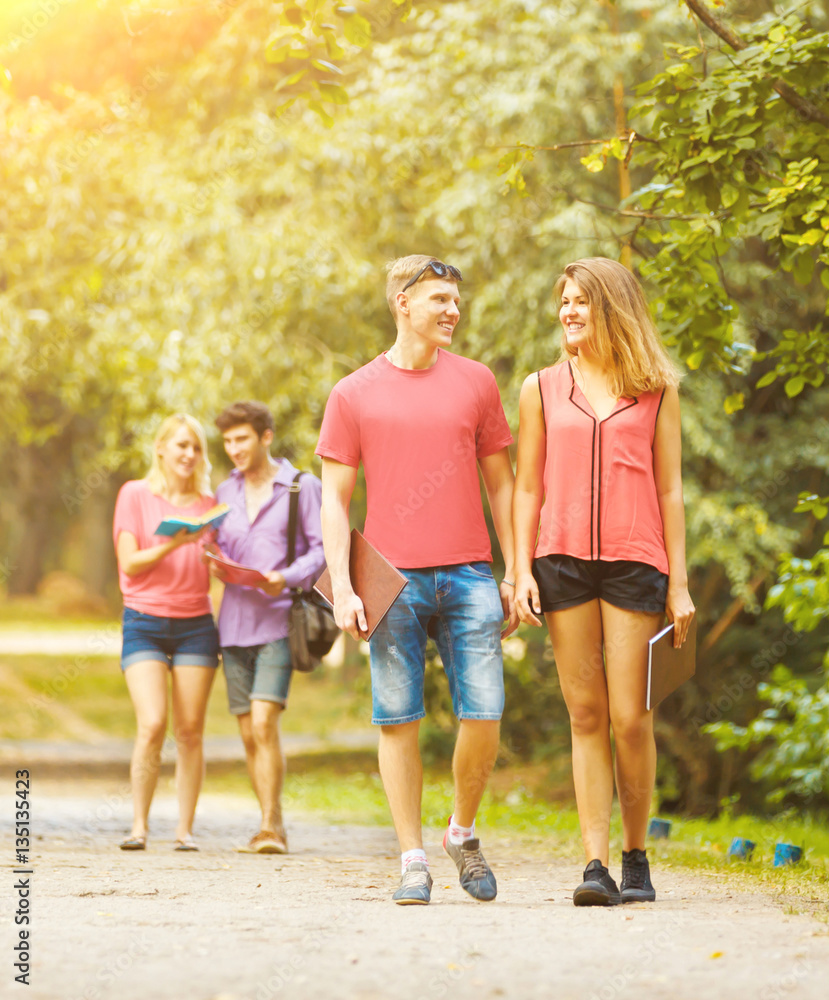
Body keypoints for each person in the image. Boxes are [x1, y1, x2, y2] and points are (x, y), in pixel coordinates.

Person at [316, 254, 517, 905]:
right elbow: (332, 500)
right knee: (397, 718)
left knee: (483, 710)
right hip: (389, 577)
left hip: (468, 573)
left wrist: (515, 570)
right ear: (402, 302)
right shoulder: (352, 393)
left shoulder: (477, 383)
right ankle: (410, 858)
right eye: (438, 299)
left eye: (455, 299)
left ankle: (459, 832)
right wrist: (344, 589)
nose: (452, 310)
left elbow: (502, 485)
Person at [512, 258, 695, 906]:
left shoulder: (655, 388)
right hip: (559, 560)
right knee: (584, 713)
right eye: (563, 300)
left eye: (580, 301)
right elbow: (527, 485)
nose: (567, 311)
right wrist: (518, 569)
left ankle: (635, 854)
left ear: (610, 308)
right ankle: (593, 864)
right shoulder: (538, 388)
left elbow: (670, 489)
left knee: (630, 718)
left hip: (633, 558)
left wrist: (677, 584)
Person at [207, 401, 326, 855]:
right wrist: (211, 557)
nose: (234, 448)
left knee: (263, 723)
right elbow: (218, 545)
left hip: (279, 619)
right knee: (244, 732)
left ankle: (272, 824)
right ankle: (265, 824)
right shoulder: (224, 491)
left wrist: (287, 575)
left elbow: (320, 551)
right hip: (233, 627)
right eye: (228, 441)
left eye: (242, 439)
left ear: (265, 437)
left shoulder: (301, 486)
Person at [113, 414, 221, 851]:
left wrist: (214, 559)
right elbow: (130, 563)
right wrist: (178, 541)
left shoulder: (209, 504)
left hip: (196, 624)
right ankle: (139, 826)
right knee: (153, 723)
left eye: (195, 447)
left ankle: (184, 831)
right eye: (180, 445)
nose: (189, 455)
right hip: (144, 622)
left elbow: (213, 568)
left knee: (191, 729)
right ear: (160, 449)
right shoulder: (135, 495)